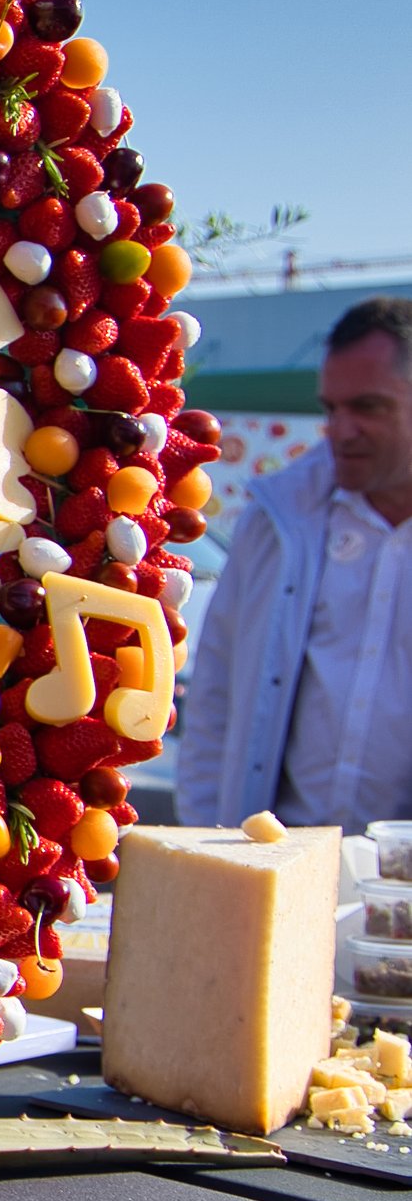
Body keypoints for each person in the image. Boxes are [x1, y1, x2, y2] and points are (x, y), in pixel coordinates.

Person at [175, 295, 412, 827]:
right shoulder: (281, 518)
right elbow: (216, 692)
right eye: (332, 408)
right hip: (277, 867)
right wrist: (213, 843)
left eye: (368, 407)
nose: (341, 430)